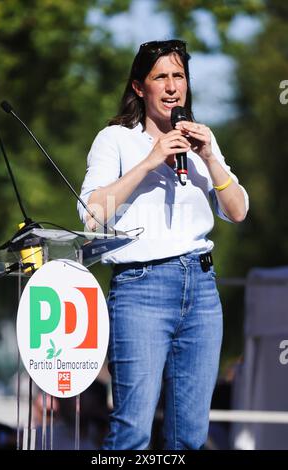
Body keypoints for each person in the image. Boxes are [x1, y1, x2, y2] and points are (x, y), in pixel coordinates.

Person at [78, 39, 249, 450]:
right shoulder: (115, 139)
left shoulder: (202, 139)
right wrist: (151, 159)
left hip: (202, 288)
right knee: (132, 430)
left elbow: (239, 210)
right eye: (161, 78)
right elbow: (90, 214)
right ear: (140, 87)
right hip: (142, 288)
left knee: (189, 435)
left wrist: (210, 157)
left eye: (179, 76)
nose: (172, 87)